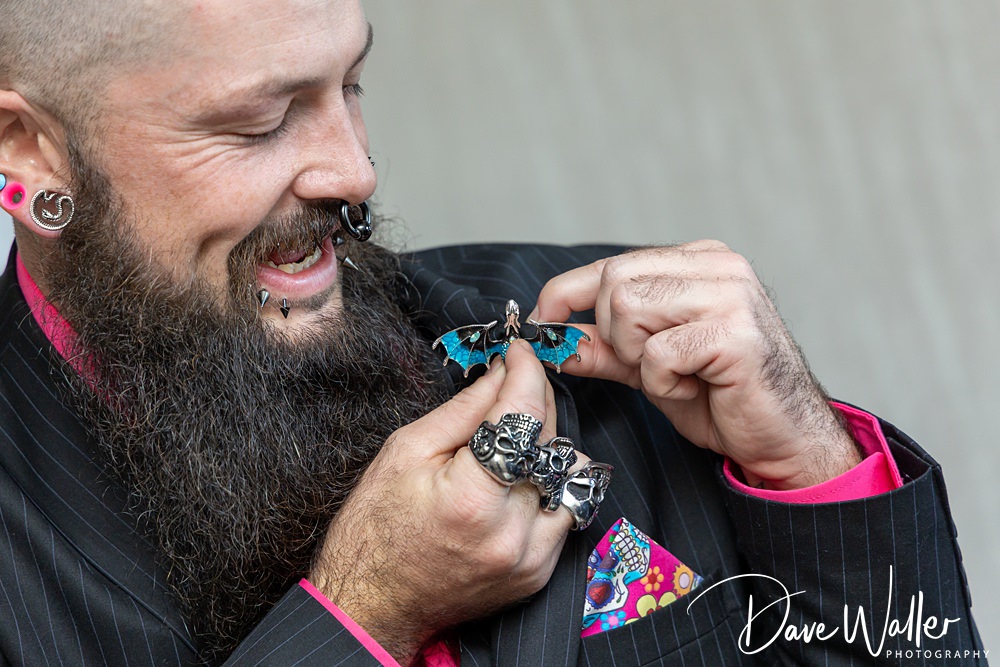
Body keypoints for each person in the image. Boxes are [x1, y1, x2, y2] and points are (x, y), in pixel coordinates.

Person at [0, 0, 986, 665]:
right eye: (261, 124)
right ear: (27, 150)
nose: (355, 171)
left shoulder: (618, 358)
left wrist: (810, 469)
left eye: (349, 85)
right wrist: (362, 617)